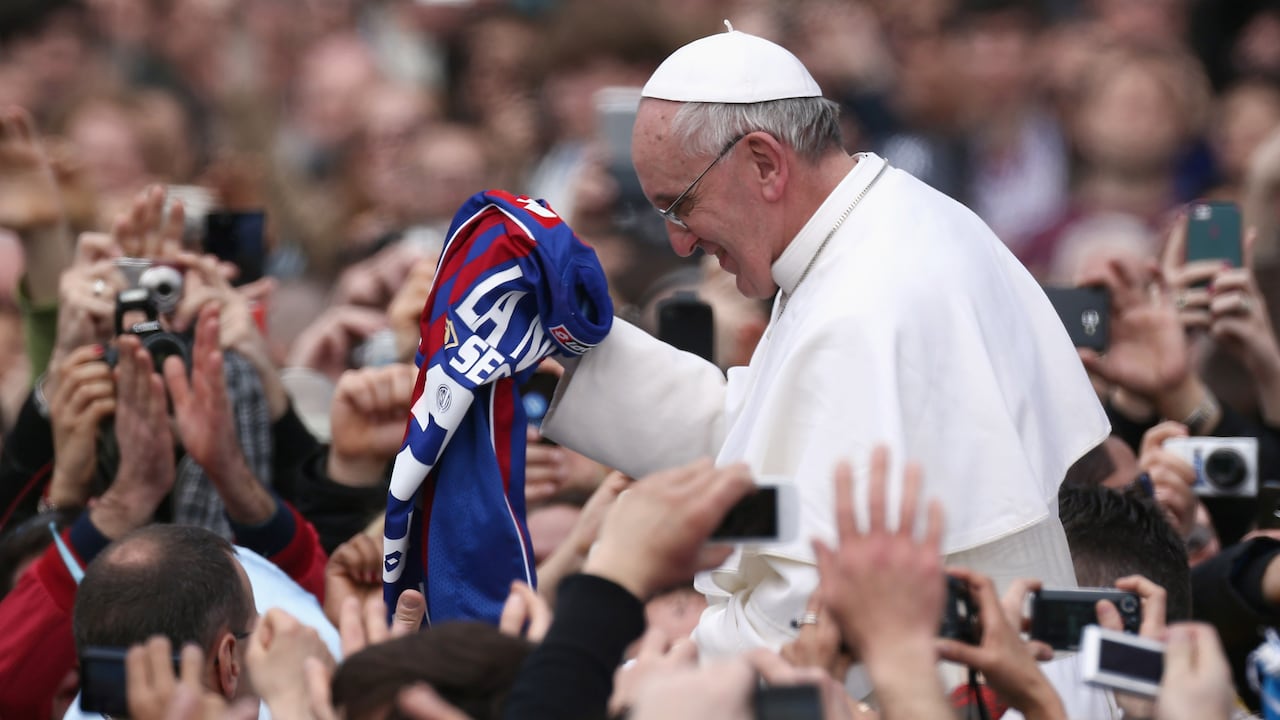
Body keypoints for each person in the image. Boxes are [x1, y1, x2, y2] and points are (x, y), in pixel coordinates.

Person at [539, 25, 1110, 656]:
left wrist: (655, 664)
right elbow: (761, 434)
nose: (679, 242)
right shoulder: (878, 224)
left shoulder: (868, 297)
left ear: (764, 163)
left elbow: (809, 612)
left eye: (681, 206)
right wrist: (568, 343)